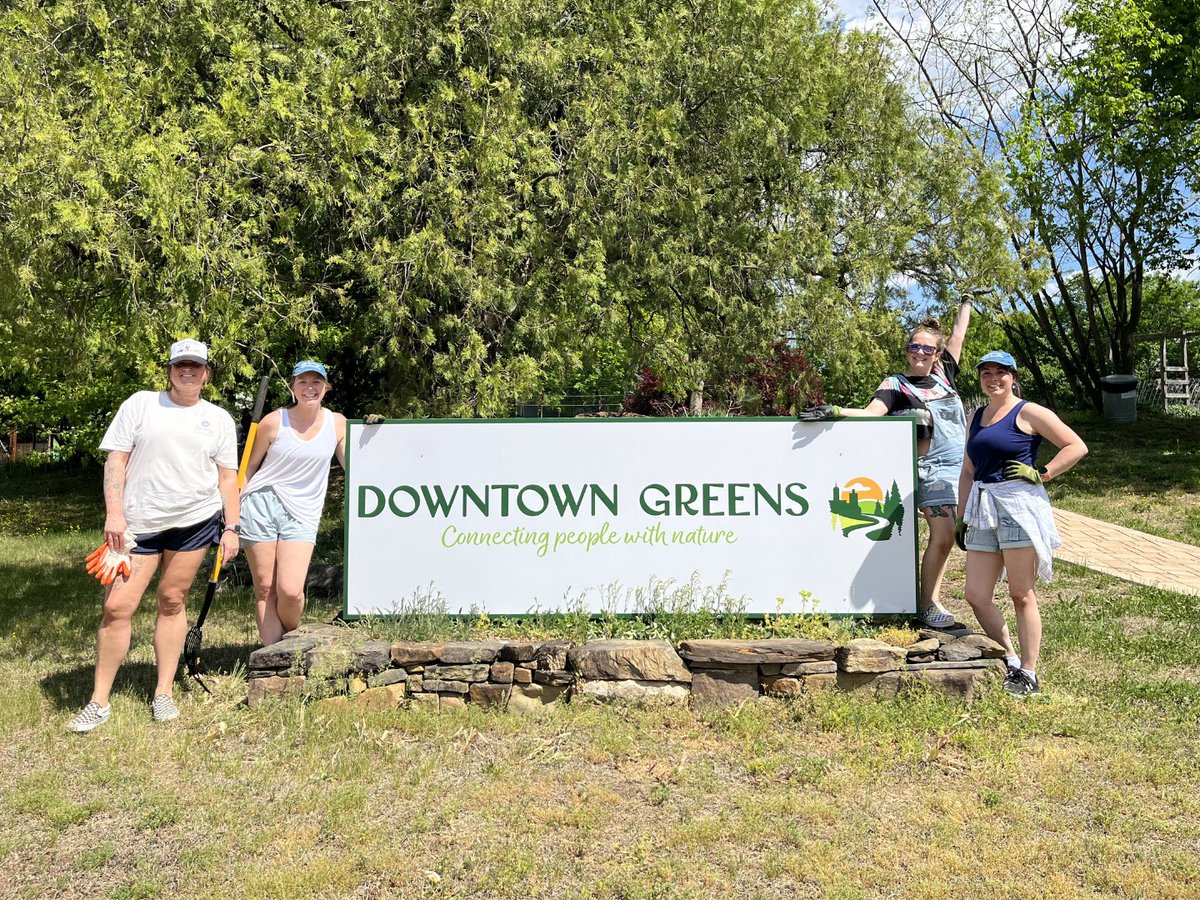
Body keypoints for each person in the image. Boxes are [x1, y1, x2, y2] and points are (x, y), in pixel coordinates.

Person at [68, 339, 240, 732]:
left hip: (194, 522)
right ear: (170, 370)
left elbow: (228, 478)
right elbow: (116, 459)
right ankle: (99, 701)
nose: (187, 371)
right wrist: (114, 514)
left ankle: (163, 692)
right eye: (181, 364)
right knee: (117, 608)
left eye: (195, 365)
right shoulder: (140, 404)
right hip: (137, 526)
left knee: (172, 600)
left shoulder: (218, 419)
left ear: (206, 374)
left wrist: (231, 527)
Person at [798, 299, 974, 628]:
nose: (920, 353)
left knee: (948, 538)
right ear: (907, 350)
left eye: (927, 349)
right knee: (945, 534)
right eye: (914, 346)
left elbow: (958, 336)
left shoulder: (944, 375)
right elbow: (871, 414)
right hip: (929, 469)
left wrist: (966, 302)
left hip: (961, 469)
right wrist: (836, 411)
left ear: (937, 355)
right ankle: (928, 605)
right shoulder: (895, 385)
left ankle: (932, 600)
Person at [955, 351, 1087, 696]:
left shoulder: (1028, 411)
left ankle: (1029, 671)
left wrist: (1042, 473)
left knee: (1020, 593)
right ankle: (1010, 658)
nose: (993, 378)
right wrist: (960, 515)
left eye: (1000, 372)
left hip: (1018, 506)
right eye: (986, 373)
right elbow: (968, 470)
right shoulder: (976, 415)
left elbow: (1076, 446)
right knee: (976, 594)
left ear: (1013, 377)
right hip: (982, 507)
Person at [240, 360, 346, 646]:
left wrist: (372, 436)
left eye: (316, 382)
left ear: (326, 387)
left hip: (303, 512)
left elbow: (355, 466)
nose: (310, 388)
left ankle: (292, 641)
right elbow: (248, 470)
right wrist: (233, 513)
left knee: (290, 590)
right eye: (303, 382)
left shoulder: (337, 423)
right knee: (265, 589)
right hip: (260, 504)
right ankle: (274, 657)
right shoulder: (274, 421)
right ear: (292, 387)